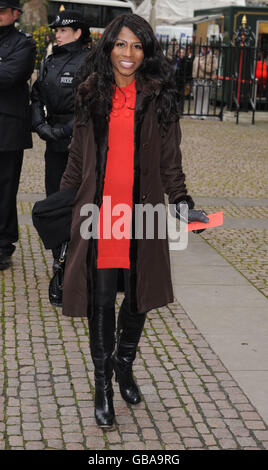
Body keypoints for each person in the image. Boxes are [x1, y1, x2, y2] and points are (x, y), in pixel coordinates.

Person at [59, 13, 208, 429]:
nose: (129, 54)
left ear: (146, 51)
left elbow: (170, 160)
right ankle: (103, 384)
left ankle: (124, 363)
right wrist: (63, 202)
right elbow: (77, 154)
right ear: (108, 47)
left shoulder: (159, 96)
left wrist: (180, 201)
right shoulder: (90, 94)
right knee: (101, 299)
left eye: (137, 46)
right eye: (121, 44)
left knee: (139, 298)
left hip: (143, 212)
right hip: (99, 214)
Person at [31, 10, 90, 265]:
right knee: (54, 195)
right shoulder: (50, 61)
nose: (58, 35)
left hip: (80, 140)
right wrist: (39, 125)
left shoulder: (91, 62)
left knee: (78, 197)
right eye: (57, 31)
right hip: (53, 140)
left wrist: (67, 130)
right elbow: (37, 95)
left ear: (78, 33)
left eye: (63, 31)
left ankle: (80, 254)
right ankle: (60, 255)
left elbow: (92, 106)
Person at [0, 0, 36, 270]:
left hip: (7, 127)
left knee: (4, 187)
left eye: (1, 10)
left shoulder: (23, 43)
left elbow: (11, 76)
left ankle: (3, 246)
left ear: (14, 14)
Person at [192, 45, 218, 118]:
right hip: (196, 79)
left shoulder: (212, 58)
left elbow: (213, 69)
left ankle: (204, 113)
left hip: (206, 80)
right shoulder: (197, 56)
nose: (203, 49)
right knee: (197, 97)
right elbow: (194, 68)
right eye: (203, 47)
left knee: (205, 98)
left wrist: (202, 67)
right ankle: (196, 113)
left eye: (205, 47)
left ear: (209, 48)